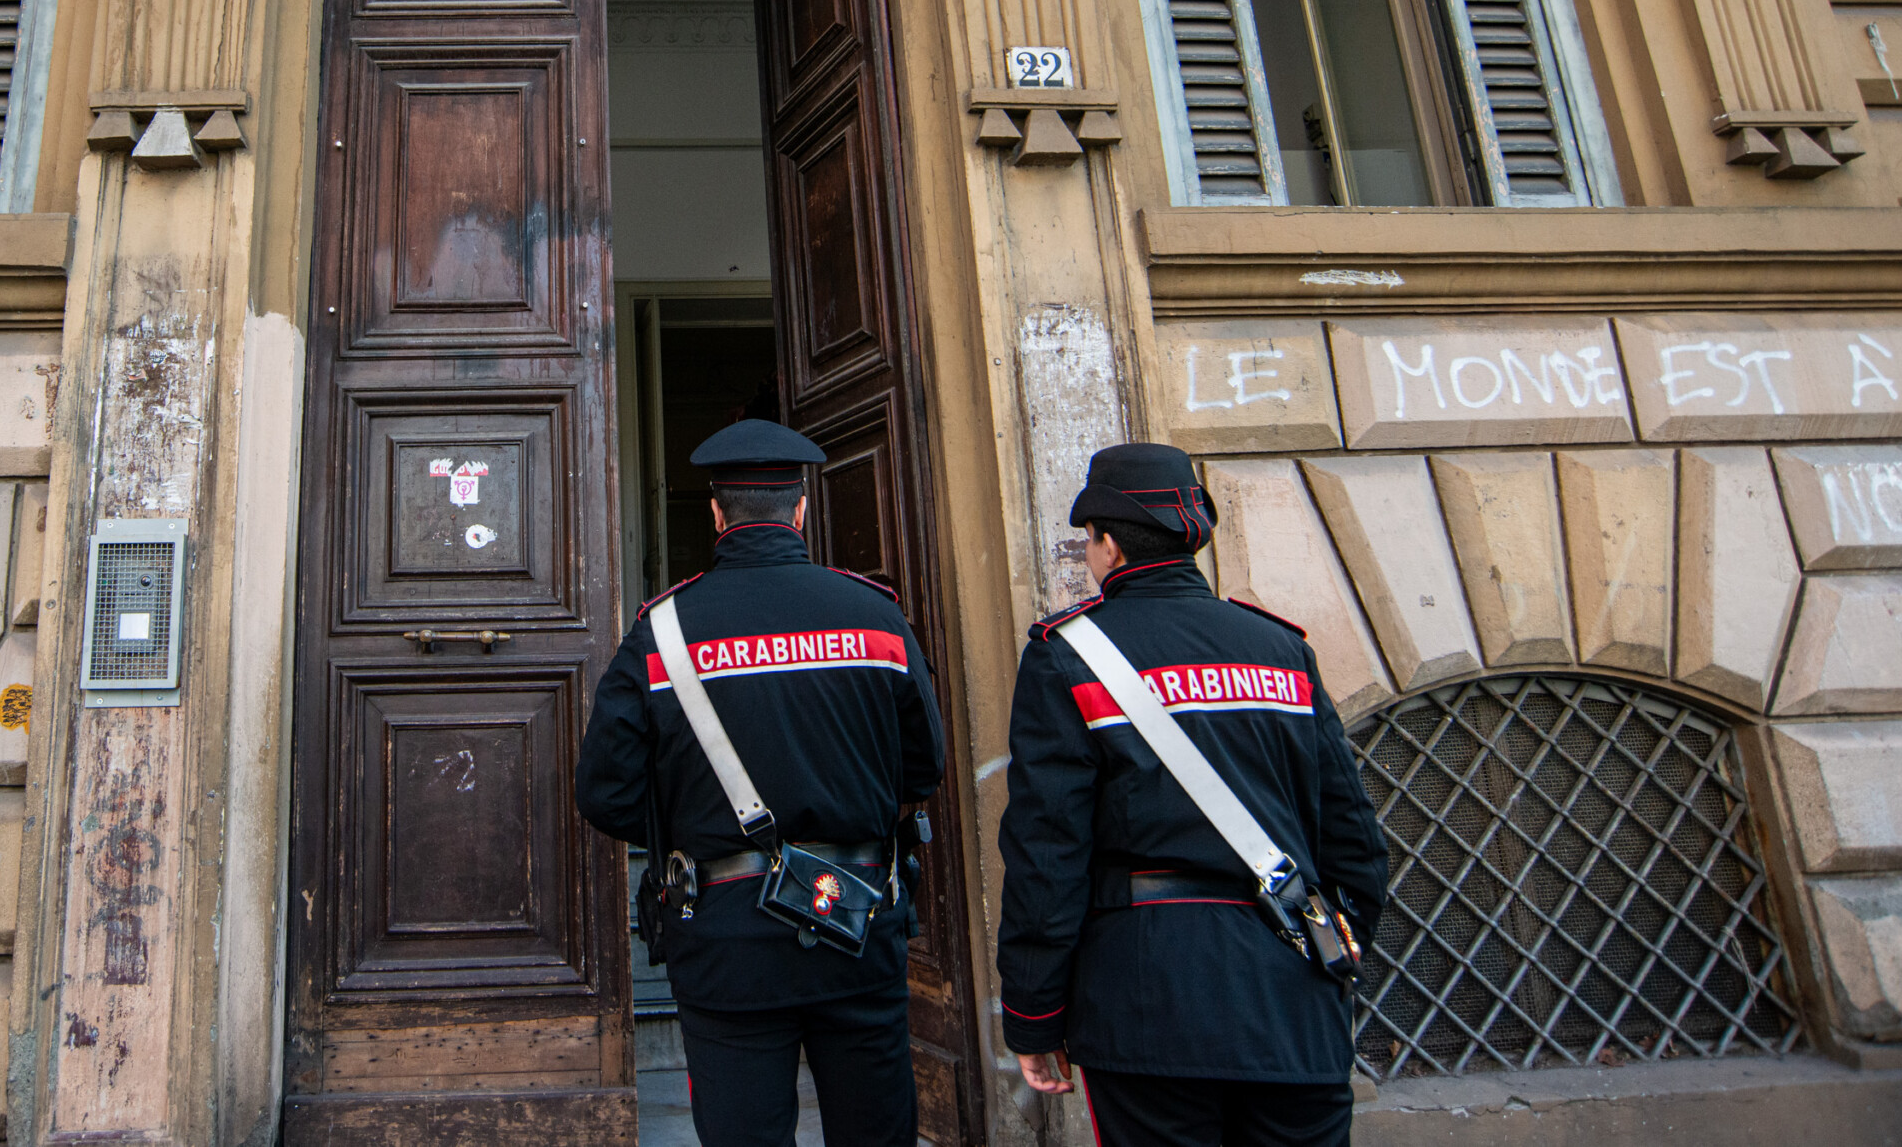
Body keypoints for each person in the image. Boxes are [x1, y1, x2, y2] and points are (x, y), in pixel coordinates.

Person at [995, 443, 1388, 1147]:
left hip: (1148, 1004)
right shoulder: (1281, 650)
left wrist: (1034, 1013)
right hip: (1293, 995)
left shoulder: (1067, 656)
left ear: (1108, 545)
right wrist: (1333, 950)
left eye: (1090, 540)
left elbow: (1047, 853)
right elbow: (1353, 836)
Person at [577, 417, 945, 1147]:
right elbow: (923, 768)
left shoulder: (662, 631)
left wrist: (691, 824)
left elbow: (605, 792)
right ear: (800, 511)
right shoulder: (876, 618)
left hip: (725, 932)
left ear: (716, 515)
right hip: (856, 916)